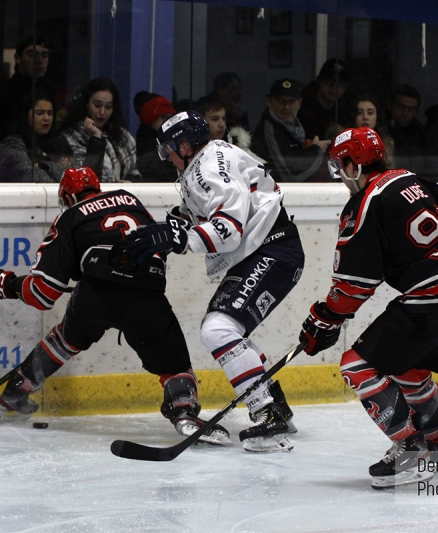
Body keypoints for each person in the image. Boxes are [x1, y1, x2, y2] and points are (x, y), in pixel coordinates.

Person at [0, 166, 228, 444]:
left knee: (65, 339)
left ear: (67, 197)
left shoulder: (70, 216)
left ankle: (18, 389)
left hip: (95, 295)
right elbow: (158, 247)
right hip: (146, 293)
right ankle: (184, 411)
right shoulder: (130, 200)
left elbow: (42, 293)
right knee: (174, 364)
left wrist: (4, 283)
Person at [298, 126, 438, 489]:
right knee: (410, 370)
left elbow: (355, 285)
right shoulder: (412, 178)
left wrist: (324, 318)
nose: (341, 174)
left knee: (356, 365)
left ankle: (409, 449)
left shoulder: (365, 202)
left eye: (342, 164)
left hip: (432, 297)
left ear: (355, 163)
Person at [125, 111, 305, 453]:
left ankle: (268, 415)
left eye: (168, 150)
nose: (167, 158)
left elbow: (228, 229)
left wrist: (177, 239)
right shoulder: (209, 160)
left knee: (218, 330)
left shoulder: (206, 167)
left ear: (183, 144)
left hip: (272, 250)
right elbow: (203, 214)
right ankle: (274, 406)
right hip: (268, 250)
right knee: (224, 329)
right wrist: (172, 228)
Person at [249, 78, 331, 182]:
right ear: (269, 102)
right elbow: (290, 174)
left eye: (292, 101)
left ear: (299, 103)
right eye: (281, 101)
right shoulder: (269, 130)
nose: (286, 107)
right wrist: (317, 150)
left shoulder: (299, 125)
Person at [60, 77, 140, 182]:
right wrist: (96, 138)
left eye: (108, 107)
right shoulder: (70, 137)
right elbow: (86, 177)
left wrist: (130, 182)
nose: (102, 112)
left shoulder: (122, 135)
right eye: (97, 105)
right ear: (86, 104)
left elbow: (135, 171)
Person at [0, 35, 54, 140]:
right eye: (32, 54)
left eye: (44, 55)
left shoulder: (49, 92)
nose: (39, 60)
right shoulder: (0, 93)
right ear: (17, 58)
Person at [2, 90, 71, 182]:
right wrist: (59, 168)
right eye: (40, 113)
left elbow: (74, 174)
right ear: (26, 115)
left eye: (50, 113)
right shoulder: (14, 142)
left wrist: (43, 166)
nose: (46, 118)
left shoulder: (60, 141)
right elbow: (27, 175)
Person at [194, 94, 262, 161]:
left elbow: (261, 166)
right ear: (200, 122)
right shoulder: (189, 152)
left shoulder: (237, 145)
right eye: (215, 119)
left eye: (224, 119)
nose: (222, 124)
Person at [298, 58, 353, 141]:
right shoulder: (301, 106)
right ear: (318, 82)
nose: (334, 87)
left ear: (346, 88)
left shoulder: (348, 110)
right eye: (329, 81)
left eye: (340, 84)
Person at [132, 91, 177, 182]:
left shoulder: (174, 137)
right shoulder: (144, 141)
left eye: (171, 117)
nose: (168, 122)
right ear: (150, 119)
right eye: (164, 117)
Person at [352, 94, 395, 167]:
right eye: (360, 113)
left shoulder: (387, 142)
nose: (365, 117)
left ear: (377, 117)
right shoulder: (345, 140)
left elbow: (391, 170)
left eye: (370, 113)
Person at [387, 85, 426, 157]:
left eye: (411, 109)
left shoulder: (422, 134)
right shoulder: (379, 127)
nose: (405, 112)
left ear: (416, 111)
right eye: (400, 107)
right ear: (389, 105)